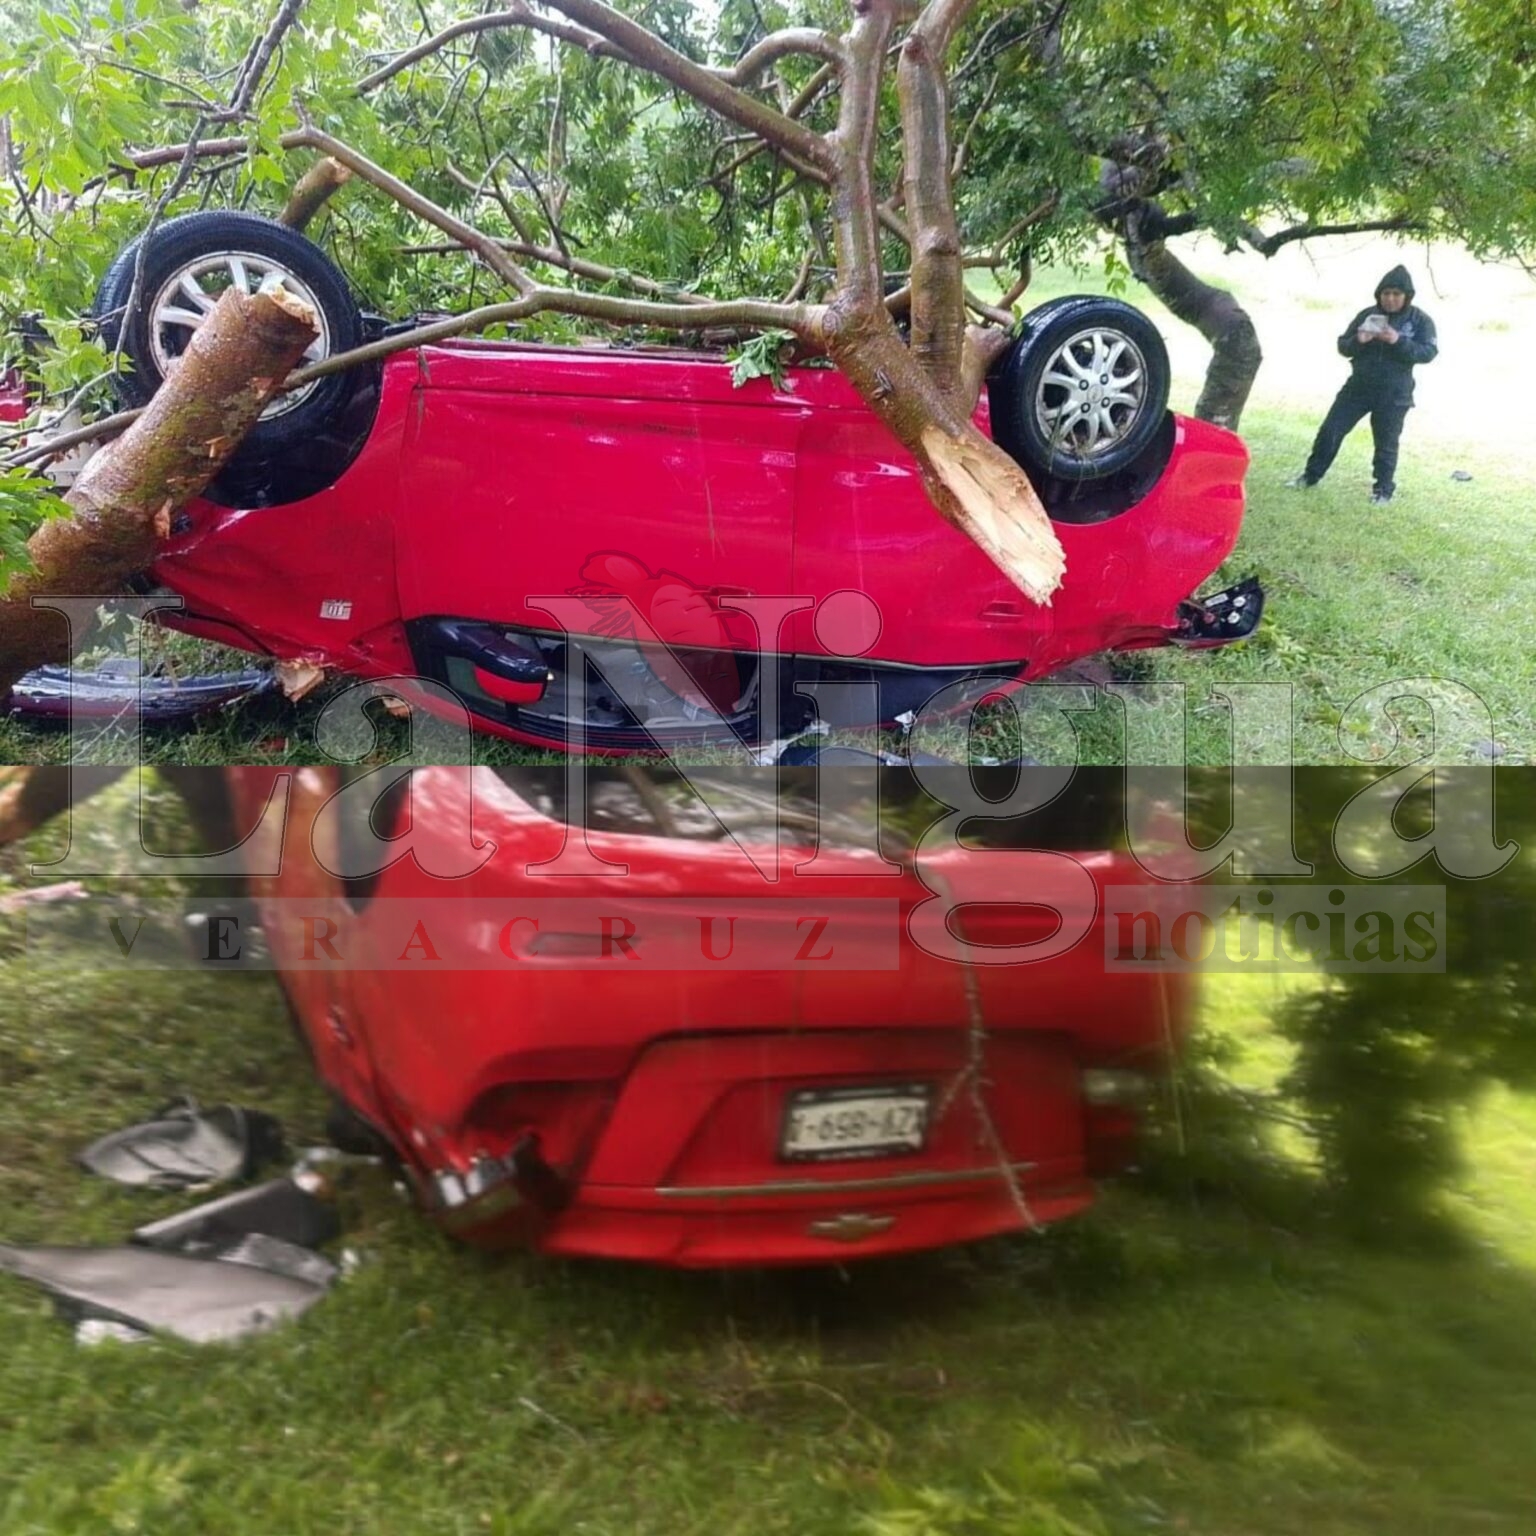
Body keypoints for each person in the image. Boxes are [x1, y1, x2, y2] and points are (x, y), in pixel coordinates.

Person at [1289, 264, 1438, 504]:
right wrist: (1359, 340)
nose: (1390, 299)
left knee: (1386, 444)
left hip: (1394, 394)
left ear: (1407, 297)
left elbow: (1429, 352)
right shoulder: (1368, 315)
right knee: (1330, 431)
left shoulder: (1420, 320)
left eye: (1396, 294)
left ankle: (1383, 491)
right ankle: (1310, 476)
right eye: (1386, 293)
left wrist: (1397, 341)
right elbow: (1343, 346)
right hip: (1357, 389)